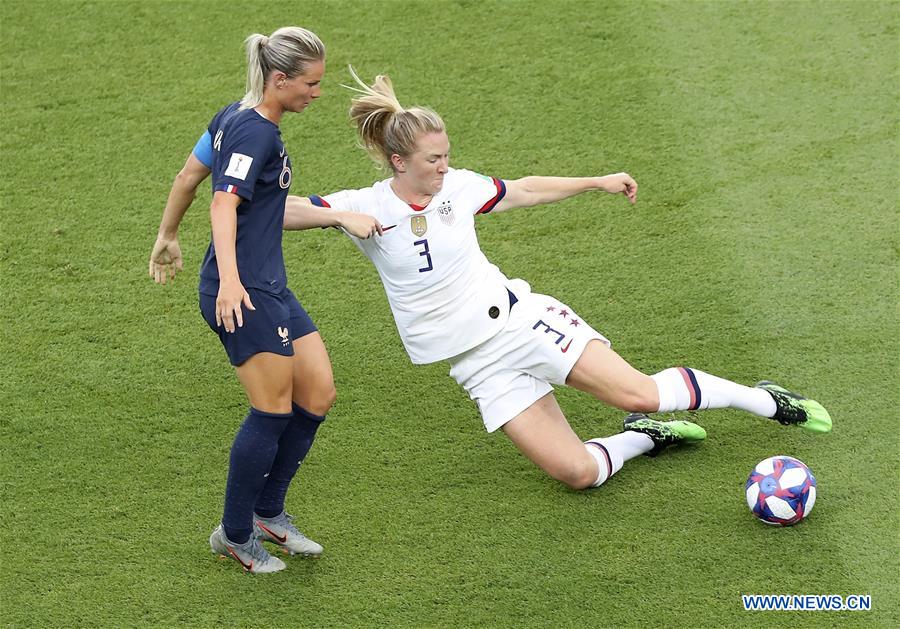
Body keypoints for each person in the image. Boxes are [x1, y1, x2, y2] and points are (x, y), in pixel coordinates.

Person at [282, 69, 832, 492]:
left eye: (448, 155)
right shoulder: (364, 206)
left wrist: (595, 181)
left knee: (638, 390)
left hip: (521, 323)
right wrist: (336, 216)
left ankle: (764, 400)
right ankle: (644, 436)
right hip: (476, 365)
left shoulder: (461, 187)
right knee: (578, 473)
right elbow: (278, 210)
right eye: (434, 159)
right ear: (399, 162)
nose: (446, 167)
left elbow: (524, 189)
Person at [148, 30, 381, 574]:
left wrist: (167, 236)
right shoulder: (254, 133)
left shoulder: (234, 115)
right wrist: (230, 281)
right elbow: (223, 204)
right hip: (243, 291)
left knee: (318, 392)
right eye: (311, 83)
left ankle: (268, 513)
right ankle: (234, 533)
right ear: (280, 80)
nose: (317, 93)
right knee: (271, 410)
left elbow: (190, 177)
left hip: (267, 285)